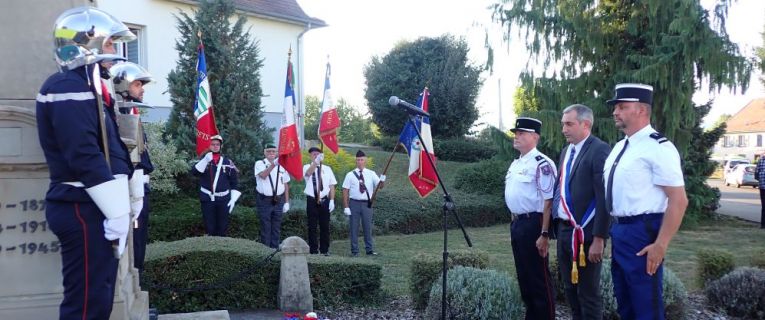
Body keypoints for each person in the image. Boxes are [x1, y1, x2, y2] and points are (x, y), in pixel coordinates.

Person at [36, 6, 137, 319]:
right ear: (86, 43)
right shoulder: (67, 87)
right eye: (109, 44)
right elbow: (82, 154)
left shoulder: (87, 88)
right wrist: (117, 209)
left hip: (94, 203)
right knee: (86, 303)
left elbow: (109, 150)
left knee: (99, 294)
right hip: (81, 204)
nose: (114, 51)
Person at [604, 83, 688, 320]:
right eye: (615, 107)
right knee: (625, 303)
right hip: (620, 230)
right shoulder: (620, 148)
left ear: (641, 110)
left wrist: (661, 244)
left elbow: (678, 200)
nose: (615, 112)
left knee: (645, 306)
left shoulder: (658, 147)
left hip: (643, 231)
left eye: (622, 107)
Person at [552, 104, 611, 320]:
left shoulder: (599, 149)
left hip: (586, 234)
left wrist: (599, 238)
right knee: (570, 289)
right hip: (565, 231)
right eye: (562, 124)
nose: (564, 129)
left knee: (588, 293)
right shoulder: (566, 151)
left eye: (569, 124)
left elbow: (604, 197)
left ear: (585, 124)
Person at [504, 117, 557, 320]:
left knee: (538, 279)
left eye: (521, 134)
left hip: (534, 224)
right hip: (518, 223)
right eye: (516, 133)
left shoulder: (541, 163)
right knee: (524, 277)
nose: (516, 137)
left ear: (534, 137)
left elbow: (548, 201)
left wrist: (544, 233)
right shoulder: (516, 163)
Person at [110, 62, 155, 272]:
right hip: (131, 185)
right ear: (124, 86)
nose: (142, 89)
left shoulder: (132, 113)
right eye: (138, 84)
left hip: (140, 185)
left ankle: (138, 285)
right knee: (133, 242)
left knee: (139, 242)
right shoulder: (118, 115)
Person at [192, 135, 241, 236]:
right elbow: (194, 173)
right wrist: (205, 160)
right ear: (209, 146)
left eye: (217, 144)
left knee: (223, 227)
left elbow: (234, 182)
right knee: (209, 227)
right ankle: (211, 249)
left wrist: (233, 199)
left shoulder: (227, 162)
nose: (215, 146)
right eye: (212, 144)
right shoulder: (203, 160)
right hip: (207, 199)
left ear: (221, 146)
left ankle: (221, 250)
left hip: (223, 200)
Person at [342, 150, 386, 256]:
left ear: (365, 160)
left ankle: (369, 250)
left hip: (367, 204)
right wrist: (346, 206)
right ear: (356, 161)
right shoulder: (350, 175)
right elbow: (345, 190)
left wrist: (382, 180)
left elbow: (380, 186)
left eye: (362, 159)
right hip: (354, 203)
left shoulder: (371, 174)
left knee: (367, 227)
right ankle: (354, 251)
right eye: (358, 160)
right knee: (354, 228)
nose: (360, 162)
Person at [253, 143, 290, 248]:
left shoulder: (282, 165)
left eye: (273, 151)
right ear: (264, 152)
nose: (271, 153)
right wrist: (274, 164)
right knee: (265, 226)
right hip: (264, 200)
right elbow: (263, 175)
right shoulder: (259, 163)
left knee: (276, 226)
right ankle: (265, 250)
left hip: (279, 199)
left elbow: (286, 184)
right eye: (268, 151)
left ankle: (274, 249)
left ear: (277, 153)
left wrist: (287, 202)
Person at [303, 147, 337, 255]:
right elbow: (308, 174)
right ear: (310, 156)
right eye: (314, 154)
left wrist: (332, 200)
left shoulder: (327, 169)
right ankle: (313, 250)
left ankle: (324, 250)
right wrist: (316, 163)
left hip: (324, 200)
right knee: (312, 226)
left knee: (325, 226)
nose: (316, 156)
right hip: (312, 200)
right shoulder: (307, 167)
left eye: (318, 154)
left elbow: (331, 185)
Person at [756, 151, 765, 229]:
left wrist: (760, 180)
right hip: (762, 186)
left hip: (762, 186)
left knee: (764, 206)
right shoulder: (761, 160)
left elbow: (756, 173)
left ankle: (763, 224)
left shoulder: (760, 160)